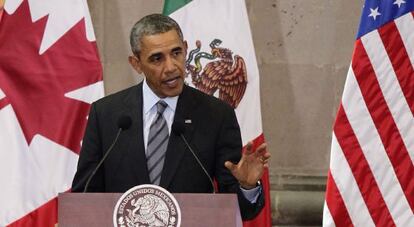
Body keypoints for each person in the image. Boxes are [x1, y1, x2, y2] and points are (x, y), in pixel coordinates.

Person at [71, 14, 270, 220]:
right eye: (157, 58)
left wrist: (247, 186)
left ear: (185, 48)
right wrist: (75, 217)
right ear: (136, 63)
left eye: (176, 53)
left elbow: (239, 211)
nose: (171, 67)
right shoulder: (106, 114)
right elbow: (85, 193)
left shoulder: (217, 115)